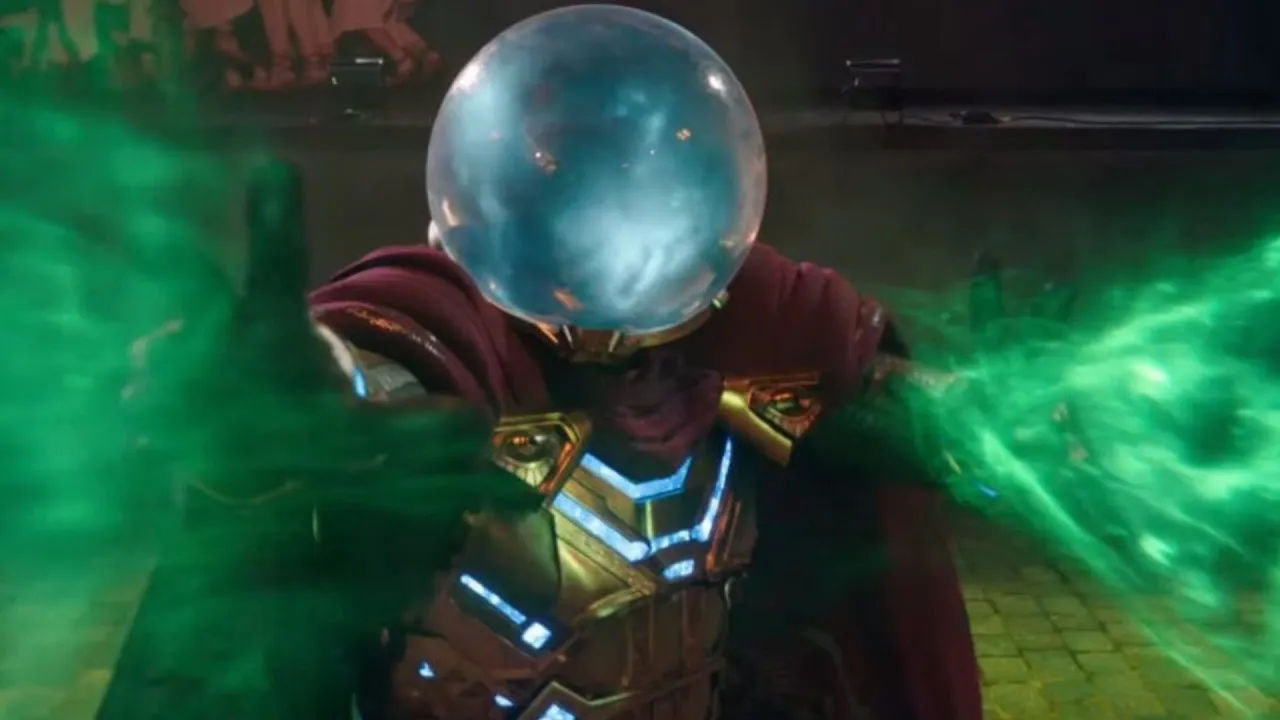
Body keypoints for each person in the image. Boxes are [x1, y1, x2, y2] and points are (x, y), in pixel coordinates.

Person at [306, 6, 980, 719]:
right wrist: (305, 401)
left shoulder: (764, 328)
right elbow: (353, 382)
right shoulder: (444, 335)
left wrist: (988, 422)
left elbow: (885, 410)